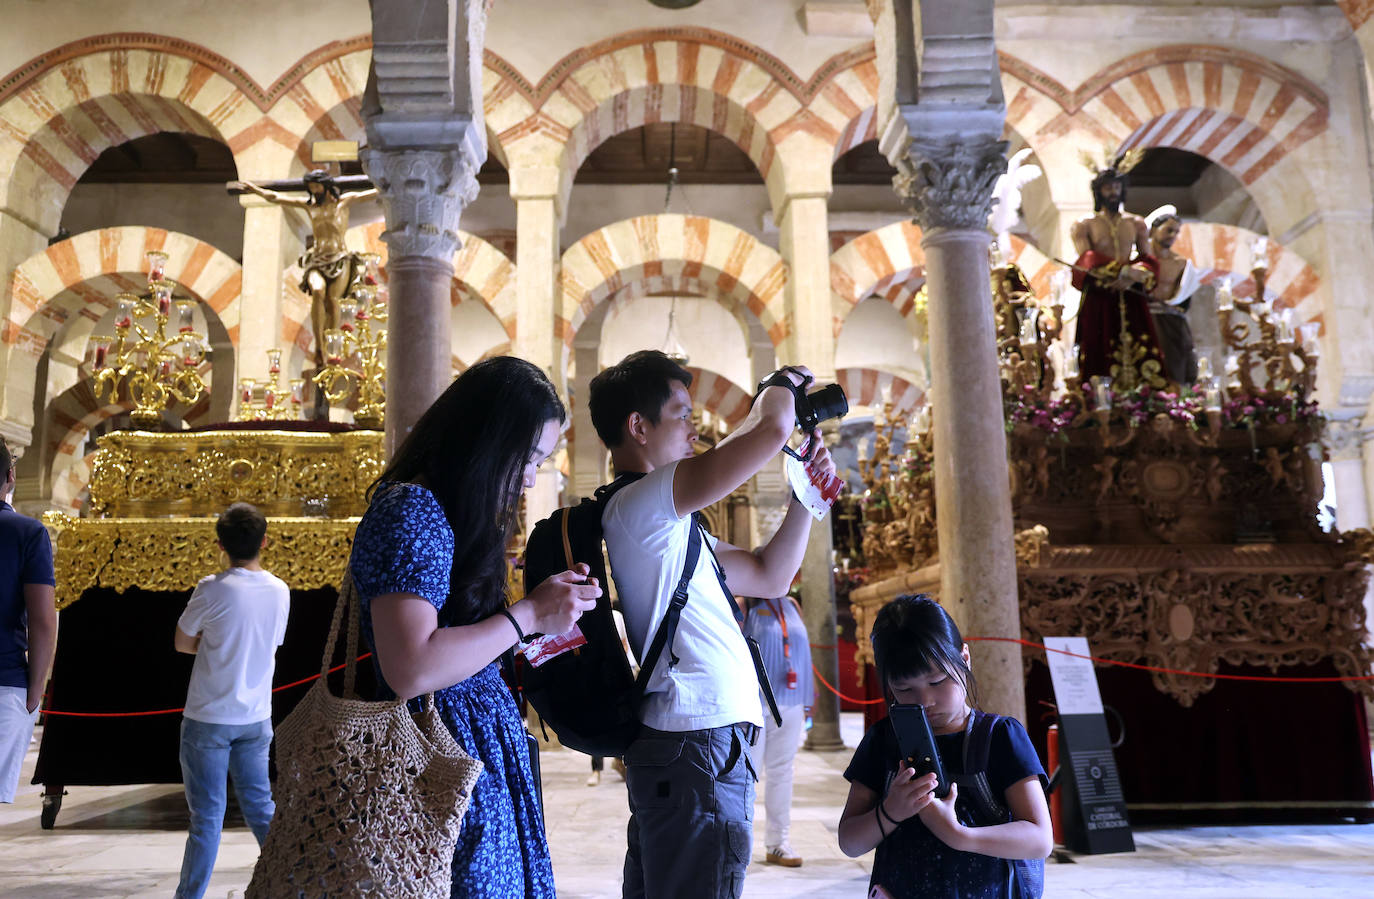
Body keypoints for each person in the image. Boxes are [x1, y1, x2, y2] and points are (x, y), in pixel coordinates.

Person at [587, 350, 837, 899]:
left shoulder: (672, 526)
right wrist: (783, 383)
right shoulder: (641, 503)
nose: (693, 426)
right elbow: (770, 428)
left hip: (695, 745)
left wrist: (807, 498)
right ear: (638, 426)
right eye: (680, 413)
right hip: (694, 743)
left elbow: (770, 576)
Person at [348, 356, 599, 898]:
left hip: (470, 754)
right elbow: (412, 667)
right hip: (435, 761)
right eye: (529, 457)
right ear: (487, 443)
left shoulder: (443, 515)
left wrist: (543, 611)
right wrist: (528, 614)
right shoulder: (412, 512)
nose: (532, 477)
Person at [838, 594, 1052, 899]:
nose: (925, 701)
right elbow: (850, 842)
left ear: (964, 658)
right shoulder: (883, 741)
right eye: (905, 689)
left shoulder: (1000, 737)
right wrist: (891, 811)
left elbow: (1039, 838)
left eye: (937, 681)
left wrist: (959, 835)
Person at [173, 502, 290, 899]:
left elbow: (182, 642)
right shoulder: (280, 590)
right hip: (256, 717)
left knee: (206, 818)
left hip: (208, 717)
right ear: (265, 541)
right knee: (261, 809)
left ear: (220, 544)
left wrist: (214, 643)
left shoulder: (212, 588)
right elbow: (272, 643)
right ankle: (289, 887)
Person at [1070, 162, 1167, 386]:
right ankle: (1101, 398)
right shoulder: (1084, 225)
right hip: (1101, 293)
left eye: (1116, 187)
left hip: (1131, 290)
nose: (1113, 192)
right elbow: (1087, 259)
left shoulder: (1136, 223)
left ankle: (1145, 398)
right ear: (1098, 191)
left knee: (1142, 343)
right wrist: (1121, 271)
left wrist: (1136, 273)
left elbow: (1148, 258)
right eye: (1107, 188)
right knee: (1098, 346)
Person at [0, 438, 56, 806]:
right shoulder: (26, 532)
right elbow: (42, 620)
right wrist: (35, 692)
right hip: (4, 681)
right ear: (11, 476)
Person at [743, 592, 813, 868]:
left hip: (791, 701)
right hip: (754, 703)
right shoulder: (745, 604)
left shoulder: (793, 605)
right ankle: (740, 842)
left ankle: (778, 843)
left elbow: (801, 651)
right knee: (747, 774)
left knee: (783, 772)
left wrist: (810, 695)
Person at [1145, 207, 1202, 384]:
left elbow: (1184, 297)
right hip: (1145, 318)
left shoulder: (1180, 264)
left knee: (1177, 362)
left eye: (1176, 232)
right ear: (1154, 230)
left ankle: (1176, 400)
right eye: (1168, 230)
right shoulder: (1140, 260)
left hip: (1171, 319)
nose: (1172, 235)